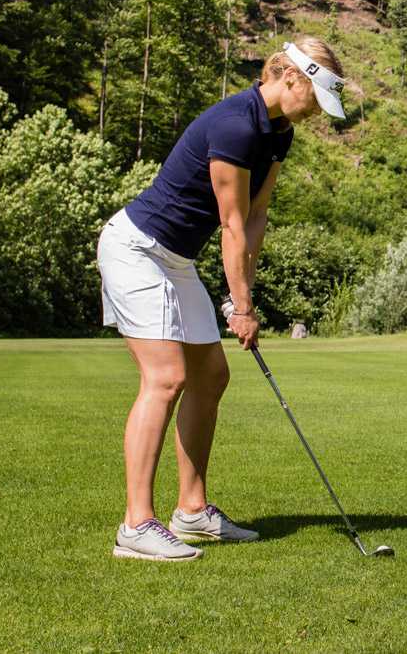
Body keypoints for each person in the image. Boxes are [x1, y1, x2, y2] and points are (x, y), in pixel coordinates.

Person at [95, 37, 350, 561]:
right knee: (166, 378)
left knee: (211, 375)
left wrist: (243, 298)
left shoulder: (279, 133)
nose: (316, 116)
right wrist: (242, 307)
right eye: (314, 101)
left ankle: (191, 512)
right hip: (137, 249)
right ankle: (135, 526)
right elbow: (230, 225)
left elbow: (256, 215)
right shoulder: (235, 124)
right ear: (291, 79)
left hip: (176, 259)